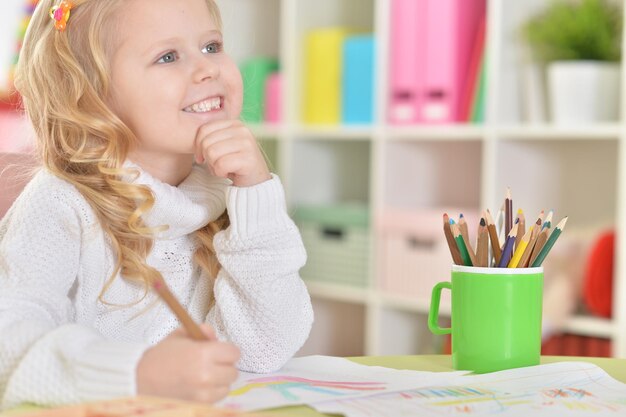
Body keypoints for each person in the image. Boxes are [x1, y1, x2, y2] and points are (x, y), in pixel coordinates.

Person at [0, 0, 313, 409]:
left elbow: (265, 349)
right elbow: (9, 345)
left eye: (212, 46)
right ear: (91, 97)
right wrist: (136, 373)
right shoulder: (60, 202)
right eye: (168, 56)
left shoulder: (222, 195)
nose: (207, 69)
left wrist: (256, 192)